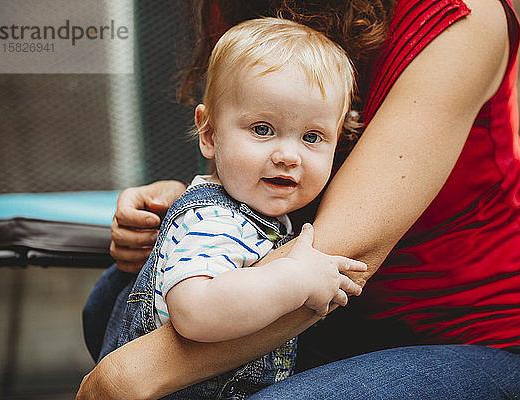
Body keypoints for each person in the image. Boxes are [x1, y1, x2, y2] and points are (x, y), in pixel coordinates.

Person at [78, 0, 520, 399]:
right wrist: (184, 208)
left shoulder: (460, 18)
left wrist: (127, 377)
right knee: (112, 301)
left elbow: (344, 255)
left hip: (489, 331)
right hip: (344, 326)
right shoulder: (241, 4)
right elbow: (257, 151)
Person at [83, 17, 367, 399]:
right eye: (262, 129)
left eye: (312, 137)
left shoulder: (256, 217)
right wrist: (295, 280)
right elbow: (195, 312)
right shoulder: (213, 220)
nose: (287, 155)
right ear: (210, 134)